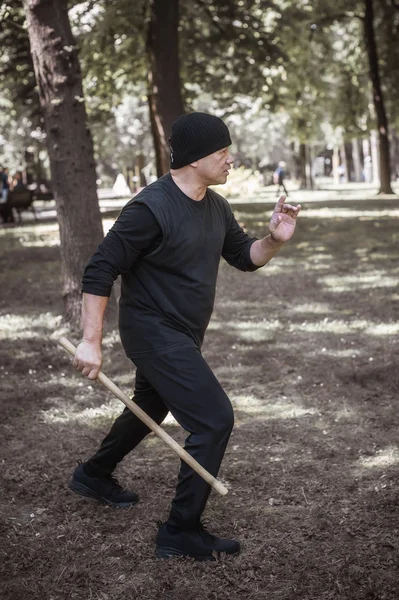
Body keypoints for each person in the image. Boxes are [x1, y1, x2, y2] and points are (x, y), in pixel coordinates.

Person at [69, 112, 301, 561]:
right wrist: (90, 339)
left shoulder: (215, 206)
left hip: (182, 332)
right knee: (214, 418)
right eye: (222, 152)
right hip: (152, 331)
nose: (230, 160)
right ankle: (181, 529)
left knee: (150, 404)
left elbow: (245, 256)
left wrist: (274, 239)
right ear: (195, 159)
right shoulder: (150, 208)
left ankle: (94, 474)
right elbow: (100, 268)